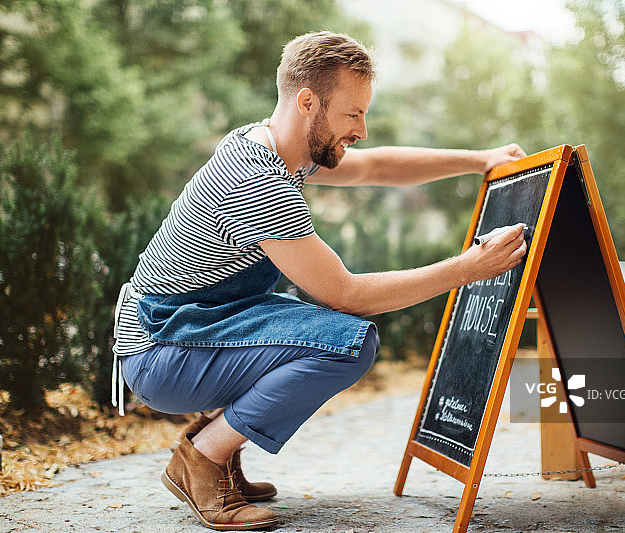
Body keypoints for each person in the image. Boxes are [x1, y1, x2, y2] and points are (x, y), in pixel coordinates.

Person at [112, 31, 527, 531]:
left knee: (323, 329)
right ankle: (204, 456)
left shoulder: (268, 142)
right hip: (163, 352)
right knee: (347, 342)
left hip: (186, 331)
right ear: (308, 102)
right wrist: (468, 269)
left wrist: (478, 159)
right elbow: (347, 295)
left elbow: (373, 166)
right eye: (353, 114)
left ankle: (214, 452)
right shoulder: (256, 179)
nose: (363, 131)